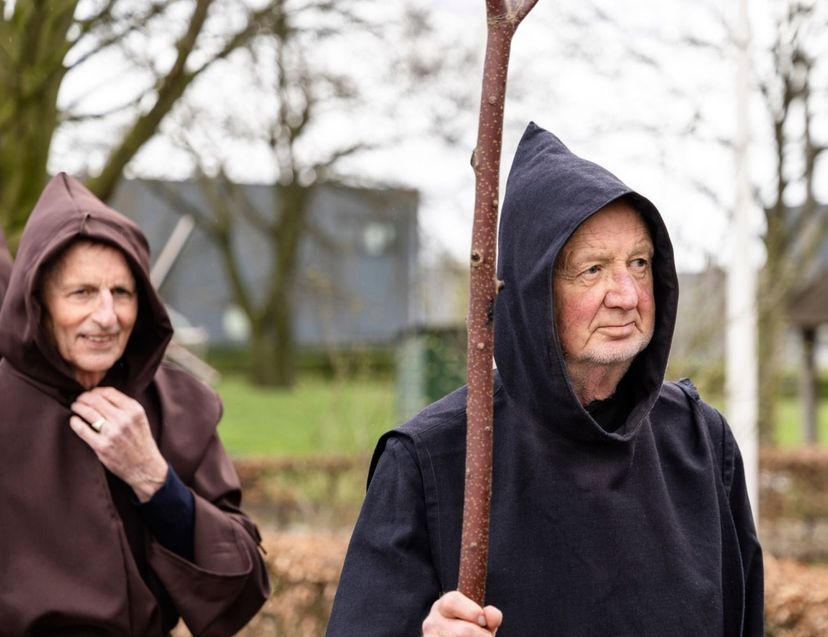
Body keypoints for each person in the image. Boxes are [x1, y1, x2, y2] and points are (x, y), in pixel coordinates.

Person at [325, 123, 763, 636]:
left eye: (638, 263)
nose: (625, 294)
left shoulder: (698, 442)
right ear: (532, 289)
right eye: (593, 270)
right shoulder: (432, 460)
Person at [0, 173, 270, 636]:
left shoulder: (179, 405)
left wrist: (154, 479)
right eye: (82, 293)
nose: (107, 316)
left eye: (121, 293)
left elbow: (243, 582)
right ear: (38, 301)